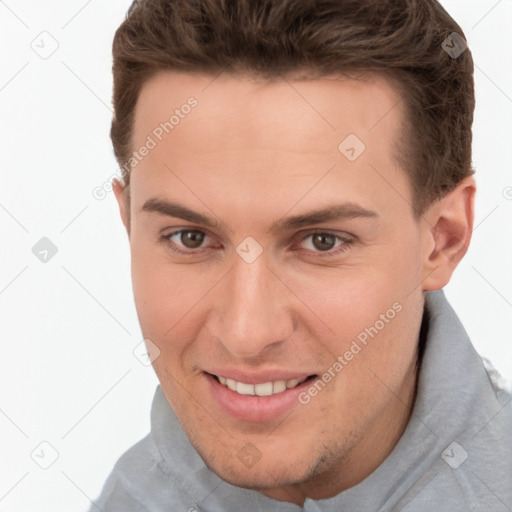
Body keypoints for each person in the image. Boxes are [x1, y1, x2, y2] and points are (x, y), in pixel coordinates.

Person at [91, 0, 512, 510]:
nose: (246, 334)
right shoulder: (133, 495)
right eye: (191, 238)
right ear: (129, 225)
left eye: (322, 241)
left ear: (443, 239)